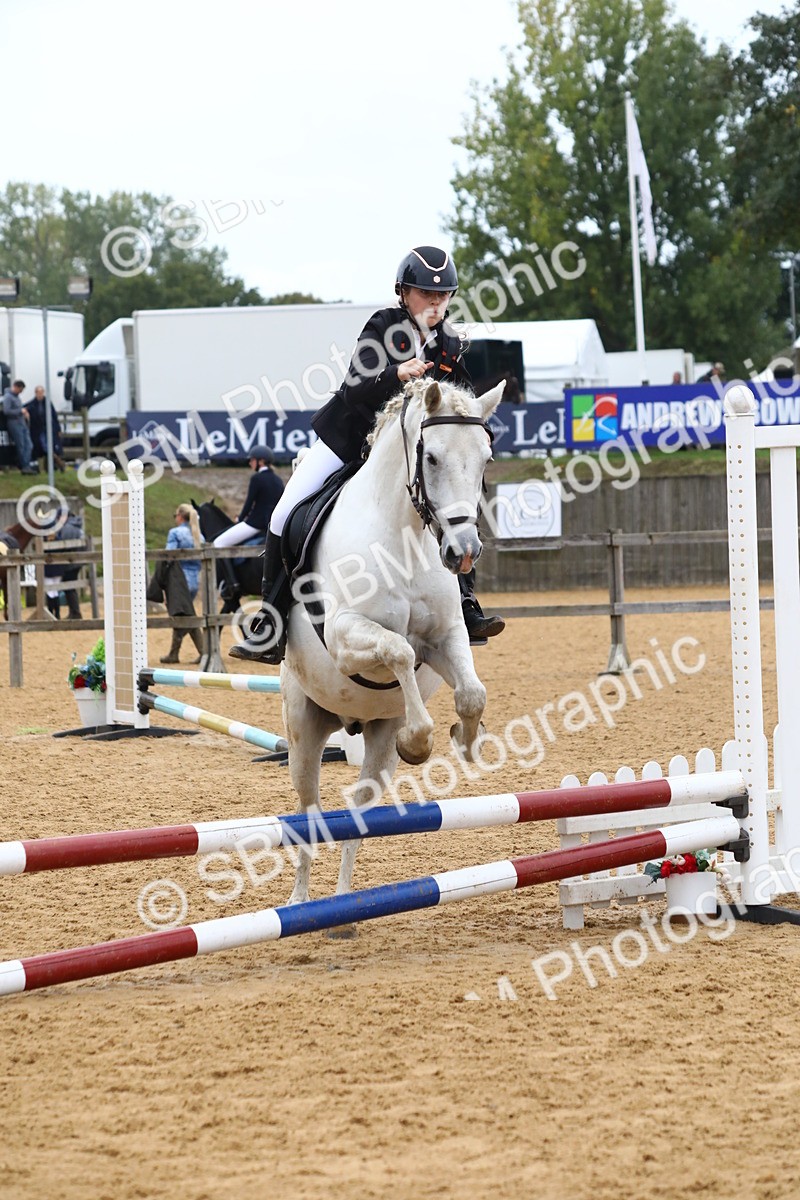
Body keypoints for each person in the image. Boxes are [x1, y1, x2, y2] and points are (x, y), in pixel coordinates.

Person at [231, 245, 505, 665]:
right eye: (425, 295)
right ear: (403, 293)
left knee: (457, 501)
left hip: (406, 459)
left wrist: (474, 429)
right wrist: (396, 373)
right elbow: (355, 386)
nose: (435, 303)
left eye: (443, 296)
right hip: (351, 441)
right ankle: (271, 625)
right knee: (283, 514)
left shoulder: (449, 342)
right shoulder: (383, 327)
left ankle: (466, 603)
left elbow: (463, 401)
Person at [213, 445, 284, 599]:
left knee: (218, 543)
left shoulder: (257, 478)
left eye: (252, 460)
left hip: (255, 523)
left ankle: (231, 584)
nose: (250, 463)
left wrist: (240, 519)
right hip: (271, 525)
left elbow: (249, 503)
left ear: (261, 461)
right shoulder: (278, 480)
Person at [158, 503, 204, 663]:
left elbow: (168, 557)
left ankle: (197, 652)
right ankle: (176, 653)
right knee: (186, 614)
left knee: (181, 615)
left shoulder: (175, 533)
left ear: (180, 516)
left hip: (179, 581)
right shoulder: (198, 534)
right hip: (194, 581)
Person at [43, 508, 87, 620]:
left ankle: (75, 613)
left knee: (69, 586)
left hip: (71, 562)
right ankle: (74, 612)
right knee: (69, 586)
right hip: (78, 561)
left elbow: (63, 546)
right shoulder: (77, 526)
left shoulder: (67, 528)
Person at [1, 380, 37, 474]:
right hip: (14, 423)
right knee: (21, 445)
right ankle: (25, 466)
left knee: (29, 445)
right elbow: (6, 411)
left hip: (22, 423)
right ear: (16, 387)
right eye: (20, 390)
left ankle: (26, 464)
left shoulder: (17, 397)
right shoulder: (8, 397)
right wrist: (20, 411)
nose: (21, 392)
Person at [28, 386, 66, 470]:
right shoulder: (32, 404)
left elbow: (54, 416)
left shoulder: (48, 403)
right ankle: (58, 462)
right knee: (43, 447)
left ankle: (54, 465)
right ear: (36, 393)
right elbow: (27, 409)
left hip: (49, 429)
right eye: (39, 393)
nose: (40, 395)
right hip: (38, 430)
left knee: (51, 446)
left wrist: (58, 429)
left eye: (42, 393)